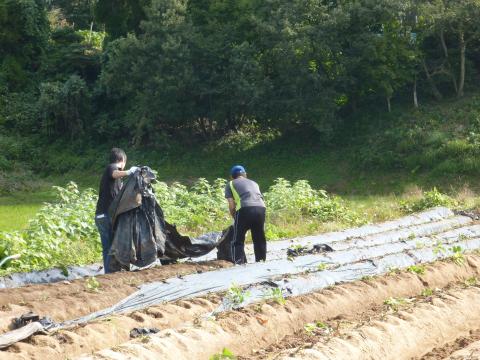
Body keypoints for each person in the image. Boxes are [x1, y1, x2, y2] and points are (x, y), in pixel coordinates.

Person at [95, 148, 138, 273]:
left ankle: (112, 272)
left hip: (106, 216)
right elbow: (115, 173)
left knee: (111, 245)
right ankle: (109, 274)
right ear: (122, 160)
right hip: (104, 216)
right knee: (109, 246)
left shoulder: (118, 180)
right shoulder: (112, 167)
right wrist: (129, 172)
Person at [225, 165, 267, 264]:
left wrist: (235, 218)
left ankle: (239, 263)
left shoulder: (230, 184)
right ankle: (261, 261)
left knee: (238, 239)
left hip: (244, 209)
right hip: (261, 208)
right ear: (245, 174)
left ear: (232, 176)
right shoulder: (254, 183)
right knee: (259, 238)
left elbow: (231, 205)